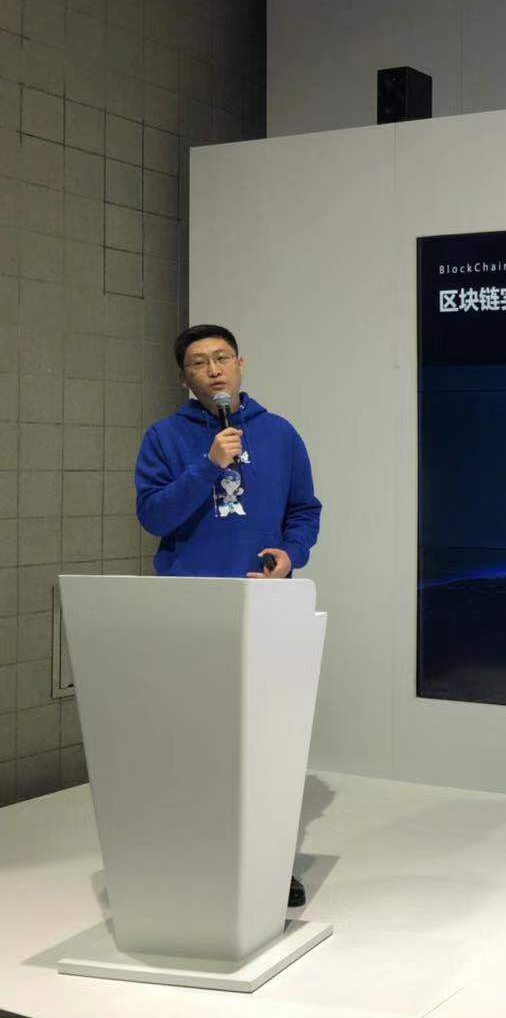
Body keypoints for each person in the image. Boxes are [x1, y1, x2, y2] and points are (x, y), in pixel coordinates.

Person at [134, 324, 322, 909]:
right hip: (190, 610)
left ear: (241, 365)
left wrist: (291, 554)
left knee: (265, 744)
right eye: (199, 362)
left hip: (264, 607)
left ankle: (267, 864)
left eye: (222, 358)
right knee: (193, 740)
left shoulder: (281, 433)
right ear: (184, 379)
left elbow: (305, 510)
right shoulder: (164, 437)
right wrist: (209, 466)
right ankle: (194, 858)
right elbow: (154, 516)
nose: (213, 369)